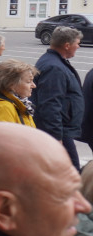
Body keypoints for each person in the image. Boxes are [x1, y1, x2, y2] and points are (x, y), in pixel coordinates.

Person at [33, 26, 85, 170]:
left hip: (60, 129)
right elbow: (49, 104)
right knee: (71, 170)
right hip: (58, 131)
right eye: (77, 43)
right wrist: (56, 137)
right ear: (67, 45)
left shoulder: (54, 62)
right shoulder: (54, 67)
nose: (78, 46)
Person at [0, 59, 38, 127]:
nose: (34, 86)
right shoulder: (4, 108)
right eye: (29, 81)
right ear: (11, 85)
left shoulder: (21, 105)